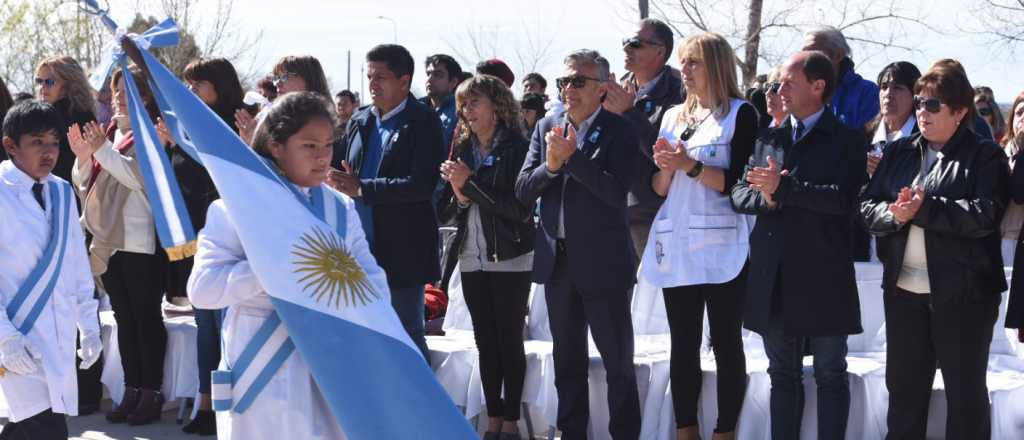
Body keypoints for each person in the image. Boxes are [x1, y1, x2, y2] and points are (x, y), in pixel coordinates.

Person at [188, 91, 359, 440]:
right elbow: (202, 288)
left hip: (328, 364)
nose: (323, 157)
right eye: (310, 146)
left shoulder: (342, 209)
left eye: (328, 145)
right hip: (259, 366)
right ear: (277, 146)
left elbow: (371, 285)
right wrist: (272, 272)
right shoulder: (234, 207)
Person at [860, 60, 1009, 440]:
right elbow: (866, 206)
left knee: (965, 401)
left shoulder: (985, 156)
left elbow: (985, 215)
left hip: (964, 297)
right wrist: (895, 214)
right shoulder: (899, 152)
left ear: (960, 112)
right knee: (905, 398)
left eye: (933, 105)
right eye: (920, 103)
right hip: (905, 295)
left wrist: (924, 209)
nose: (922, 113)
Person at [730, 50, 866, 440]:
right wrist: (768, 198)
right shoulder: (769, 136)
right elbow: (740, 193)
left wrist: (784, 189)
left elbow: (844, 201)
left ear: (818, 86)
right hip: (774, 273)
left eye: (788, 82)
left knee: (830, 373)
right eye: (776, 83)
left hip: (824, 273)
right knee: (782, 375)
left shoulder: (846, 140)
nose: (779, 90)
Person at [515, 49, 641, 440]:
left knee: (617, 363)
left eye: (578, 82)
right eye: (564, 81)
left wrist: (574, 159)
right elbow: (522, 190)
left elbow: (618, 193)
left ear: (602, 89)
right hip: (559, 263)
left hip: (603, 264)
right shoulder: (547, 125)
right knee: (566, 363)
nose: (568, 89)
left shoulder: (620, 129)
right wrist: (551, 165)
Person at [639, 33, 756, 440]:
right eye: (683, 63)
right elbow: (658, 188)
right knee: (682, 343)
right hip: (679, 243)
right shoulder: (672, 116)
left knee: (726, 342)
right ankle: (685, 429)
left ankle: (725, 432)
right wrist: (668, 168)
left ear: (716, 66)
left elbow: (737, 184)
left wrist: (689, 165)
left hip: (723, 242)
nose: (684, 71)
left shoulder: (741, 114)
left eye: (694, 63)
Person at [68, 67, 169, 426]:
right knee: (125, 320)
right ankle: (131, 388)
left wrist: (102, 150)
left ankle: (152, 392)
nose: (117, 97)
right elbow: (86, 186)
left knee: (146, 319)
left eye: (126, 90)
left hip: (140, 242)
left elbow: (136, 178)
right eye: (114, 90)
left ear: (145, 95)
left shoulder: (151, 132)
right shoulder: (110, 131)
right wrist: (82, 157)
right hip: (108, 241)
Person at [436, 74, 535, 440]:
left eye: (474, 102)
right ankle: (493, 418)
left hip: (509, 255)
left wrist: (470, 185)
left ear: (497, 105)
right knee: (484, 340)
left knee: (509, 338)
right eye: (463, 104)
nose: (466, 110)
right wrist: (459, 195)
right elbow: (444, 209)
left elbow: (520, 209)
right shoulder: (460, 148)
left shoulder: (517, 148)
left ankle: (511, 420)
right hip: (471, 256)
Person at [332, 44, 444, 360]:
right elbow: (342, 168)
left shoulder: (423, 121)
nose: (372, 84)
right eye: (369, 77)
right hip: (355, 249)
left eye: (380, 77)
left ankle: (421, 407)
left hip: (402, 251)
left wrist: (364, 189)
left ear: (405, 81)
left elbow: (422, 185)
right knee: (362, 336)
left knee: (406, 334)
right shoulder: (360, 119)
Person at [0, 100, 101, 440]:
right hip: (15, 335)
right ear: (10, 146)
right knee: (42, 428)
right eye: (37, 142)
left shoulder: (61, 191)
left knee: (32, 427)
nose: (49, 151)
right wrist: (5, 339)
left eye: (54, 142)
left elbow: (76, 265)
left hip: (56, 339)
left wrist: (89, 325)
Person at [169, 57, 251, 436]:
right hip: (197, 236)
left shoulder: (238, 121)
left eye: (197, 84)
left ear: (218, 85)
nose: (190, 92)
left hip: (234, 238)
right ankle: (205, 402)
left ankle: (232, 405)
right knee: (205, 325)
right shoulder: (184, 124)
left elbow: (221, 168)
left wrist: (179, 144)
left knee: (227, 325)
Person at [604, 17, 685, 258]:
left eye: (636, 43)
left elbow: (667, 156)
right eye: (625, 42)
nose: (626, 48)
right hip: (612, 214)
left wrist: (629, 113)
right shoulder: (616, 90)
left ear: (660, 51)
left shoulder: (681, 92)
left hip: (655, 217)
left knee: (656, 295)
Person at [236, 55, 330, 145]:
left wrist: (256, 142)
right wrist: (251, 142)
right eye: (276, 78)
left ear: (309, 79)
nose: (277, 84)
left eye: (285, 77)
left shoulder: (323, 125)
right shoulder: (276, 121)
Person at [802, 26, 880, 130]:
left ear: (838, 55)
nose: (807, 59)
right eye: (803, 53)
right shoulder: (796, 91)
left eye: (814, 53)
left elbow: (868, 139)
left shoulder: (867, 92)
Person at [34, 56, 97, 183]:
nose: (43, 87)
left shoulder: (73, 117)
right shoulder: (85, 113)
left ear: (68, 85)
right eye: (39, 81)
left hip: (68, 192)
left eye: (50, 82)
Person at [866, 62, 921, 178]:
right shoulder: (863, 138)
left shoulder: (925, 142)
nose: (888, 94)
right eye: (884, 87)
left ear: (914, 96)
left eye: (897, 88)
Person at [421, 54, 462, 148]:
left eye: (438, 75)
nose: (430, 79)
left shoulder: (460, 110)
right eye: (428, 74)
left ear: (453, 82)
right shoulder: (416, 108)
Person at [1003, 93, 1024, 266]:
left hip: (1017, 241)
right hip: (994, 242)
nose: (1023, 118)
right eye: (1020, 112)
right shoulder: (998, 154)